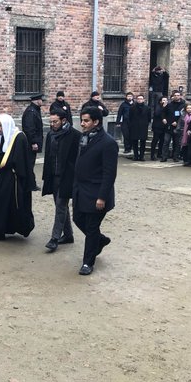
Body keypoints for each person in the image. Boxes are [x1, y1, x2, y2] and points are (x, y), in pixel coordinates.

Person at [72, 106, 118, 276]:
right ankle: (100, 240)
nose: (82, 124)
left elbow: (109, 173)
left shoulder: (108, 143)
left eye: (86, 121)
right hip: (80, 190)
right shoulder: (84, 138)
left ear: (96, 122)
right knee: (77, 219)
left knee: (91, 228)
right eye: (81, 120)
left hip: (96, 193)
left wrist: (102, 197)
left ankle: (87, 262)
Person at [0, 114, 35, 241]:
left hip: (10, 179)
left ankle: (0, 231)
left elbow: (16, 160)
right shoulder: (0, 137)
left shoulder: (19, 137)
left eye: (0, 125)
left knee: (4, 204)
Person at [42, 108, 81, 252]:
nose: (52, 124)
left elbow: (78, 158)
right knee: (61, 206)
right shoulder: (51, 134)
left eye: (55, 121)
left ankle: (54, 238)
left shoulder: (75, 135)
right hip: (53, 176)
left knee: (60, 206)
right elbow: (48, 156)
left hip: (67, 177)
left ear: (64, 120)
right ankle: (69, 235)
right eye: (50, 121)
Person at [21, 93, 44, 191]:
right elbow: (29, 128)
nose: (42, 101)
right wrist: (33, 142)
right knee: (29, 164)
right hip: (30, 143)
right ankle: (30, 184)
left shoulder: (34, 110)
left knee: (30, 163)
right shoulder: (31, 112)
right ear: (37, 100)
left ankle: (31, 183)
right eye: (41, 100)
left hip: (32, 142)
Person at [161, 90, 185, 162]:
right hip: (168, 126)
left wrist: (177, 122)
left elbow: (183, 116)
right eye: (175, 95)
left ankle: (175, 157)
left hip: (178, 127)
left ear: (180, 96)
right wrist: (164, 119)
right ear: (173, 96)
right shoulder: (169, 105)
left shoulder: (183, 105)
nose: (176, 96)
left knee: (177, 143)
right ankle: (164, 157)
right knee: (166, 142)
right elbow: (163, 112)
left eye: (178, 95)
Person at [128, 94, 151, 161]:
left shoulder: (147, 108)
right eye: (138, 99)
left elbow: (149, 118)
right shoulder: (132, 108)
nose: (140, 100)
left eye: (141, 99)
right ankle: (135, 155)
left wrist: (146, 124)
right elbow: (130, 117)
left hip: (143, 127)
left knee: (143, 142)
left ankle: (141, 156)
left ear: (143, 100)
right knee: (134, 142)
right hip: (134, 126)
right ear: (136, 100)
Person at [150, 96, 168, 160]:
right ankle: (152, 155)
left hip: (164, 127)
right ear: (160, 101)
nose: (165, 101)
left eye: (166, 100)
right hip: (157, 126)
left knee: (162, 141)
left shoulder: (167, 107)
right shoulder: (158, 107)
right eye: (163, 100)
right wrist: (163, 107)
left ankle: (159, 153)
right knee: (155, 140)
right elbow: (157, 114)